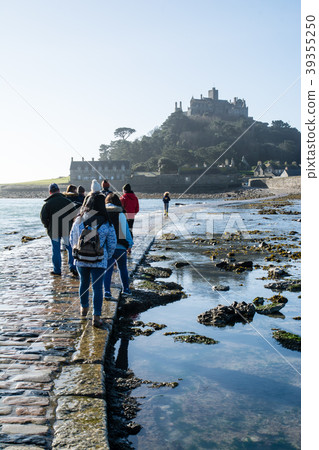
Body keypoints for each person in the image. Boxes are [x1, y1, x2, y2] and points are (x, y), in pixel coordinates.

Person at [69, 191, 117, 328]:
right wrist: (106, 257)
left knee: (83, 283)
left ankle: (83, 309)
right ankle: (96, 317)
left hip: (81, 259)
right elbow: (112, 243)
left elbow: (73, 240)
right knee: (97, 288)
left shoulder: (78, 220)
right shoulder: (106, 222)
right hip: (99, 259)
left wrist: (76, 252)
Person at [40, 183, 78, 276]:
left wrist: (47, 226)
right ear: (58, 190)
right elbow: (74, 216)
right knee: (70, 248)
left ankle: (57, 270)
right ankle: (73, 267)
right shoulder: (67, 201)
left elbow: (43, 218)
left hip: (54, 230)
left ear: (50, 192)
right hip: (67, 228)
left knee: (56, 250)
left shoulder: (47, 204)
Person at [104, 193, 133, 298]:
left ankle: (107, 292)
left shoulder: (104, 214)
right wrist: (130, 243)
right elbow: (125, 231)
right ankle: (126, 289)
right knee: (123, 268)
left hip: (107, 247)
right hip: (120, 246)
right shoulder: (121, 214)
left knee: (108, 270)